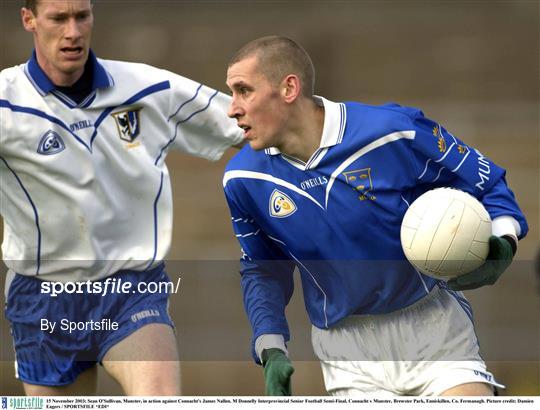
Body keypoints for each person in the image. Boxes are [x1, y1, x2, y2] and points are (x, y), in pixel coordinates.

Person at [223, 36, 528, 396]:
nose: (232, 109)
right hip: (347, 352)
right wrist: (270, 344)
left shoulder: (390, 131)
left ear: (289, 87)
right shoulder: (243, 179)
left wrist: (503, 242)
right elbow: (262, 267)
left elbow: (485, 179)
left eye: (244, 91)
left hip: (431, 327)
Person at [1, 0, 243, 396]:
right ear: (29, 20)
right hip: (42, 298)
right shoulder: (6, 103)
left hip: (129, 289)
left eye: (82, 16)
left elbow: (244, 122)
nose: (73, 32)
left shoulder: (147, 87)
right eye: (59, 19)